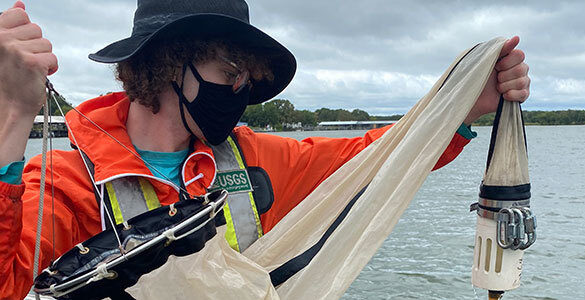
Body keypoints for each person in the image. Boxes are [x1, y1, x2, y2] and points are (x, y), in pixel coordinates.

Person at [0, 0, 530, 299]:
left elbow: (373, 161)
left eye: (247, 81)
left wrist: (463, 108)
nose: (240, 95)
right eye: (229, 73)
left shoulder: (257, 159)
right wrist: (13, 117)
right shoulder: (64, 182)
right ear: (166, 63)